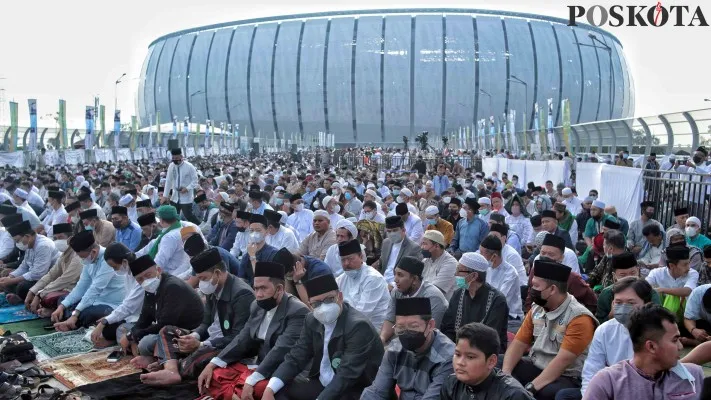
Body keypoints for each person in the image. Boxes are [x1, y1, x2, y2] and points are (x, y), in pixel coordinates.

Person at [139, 248, 256, 385]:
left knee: (199, 360)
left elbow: (238, 338)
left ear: (217, 273)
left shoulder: (241, 294)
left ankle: (171, 367)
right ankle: (170, 369)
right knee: (167, 331)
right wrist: (194, 337)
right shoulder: (213, 287)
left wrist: (201, 345)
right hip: (209, 340)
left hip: (226, 346)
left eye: (203, 278)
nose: (201, 283)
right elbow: (206, 323)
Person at [197, 260, 309, 400]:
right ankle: (234, 395)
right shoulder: (257, 306)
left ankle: (229, 394)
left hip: (279, 370)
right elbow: (242, 338)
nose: (259, 294)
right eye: (256, 289)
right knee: (214, 373)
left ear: (279, 289)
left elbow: (280, 350)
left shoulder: (297, 311)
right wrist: (214, 363)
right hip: (257, 365)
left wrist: (252, 380)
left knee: (258, 388)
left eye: (263, 288)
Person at [261, 273, 384, 400]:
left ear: (340, 297)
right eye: (316, 304)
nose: (324, 307)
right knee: (278, 391)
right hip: (324, 381)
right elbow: (297, 356)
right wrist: (270, 388)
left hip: (354, 388)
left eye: (329, 299)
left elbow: (346, 375)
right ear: (310, 305)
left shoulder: (358, 326)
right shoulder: (312, 319)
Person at [502, 259, 597, 400]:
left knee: (545, 392)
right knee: (495, 364)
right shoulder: (537, 308)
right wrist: (506, 376)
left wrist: (531, 387)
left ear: (552, 289)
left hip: (566, 375)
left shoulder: (579, 317)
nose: (531, 290)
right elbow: (519, 343)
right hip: (537, 364)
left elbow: (562, 362)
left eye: (535, 286)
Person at [556, 277, 655, 400]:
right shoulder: (605, 330)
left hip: (643, 392)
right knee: (564, 396)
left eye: (631, 303)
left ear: (647, 304)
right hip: (611, 389)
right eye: (618, 303)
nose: (624, 308)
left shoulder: (657, 332)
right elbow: (592, 370)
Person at [584, 304, 704, 399]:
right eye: (675, 340)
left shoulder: (693, 376)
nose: (680, 346)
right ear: (651, 346)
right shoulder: (608, 382)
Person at [124, 254, 205, 374]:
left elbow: (165, 324)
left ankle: (158, 360)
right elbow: (144, 318)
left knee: (145, 343)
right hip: (167, 330)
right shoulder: (151, 288)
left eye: (148, 275)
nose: (145, 281)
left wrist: (134, 337)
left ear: (158, 270)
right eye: (140, 279)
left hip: (189, 333)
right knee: (125, 329)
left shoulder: (172, 286)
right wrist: (131, 335)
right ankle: (154, 357)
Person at [362, 297, 455, 399]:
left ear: (430, 325)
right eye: (400, 328)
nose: (406, 333)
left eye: (413, 327)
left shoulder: (446, 357)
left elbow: (433, 397)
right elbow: (377, 391)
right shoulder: (394, 350)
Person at [51, 230, 125, 331]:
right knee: (62, 300)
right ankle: (71, 321)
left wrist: (75, 314)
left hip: (111, 304)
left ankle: (71, 321)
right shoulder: (89, 260)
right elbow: (81, 286)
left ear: (93, 252)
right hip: (93, 301)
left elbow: (95, 289)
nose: (82, 260)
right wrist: (62, 306)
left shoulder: (108, 259)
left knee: (87, 314)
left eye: (82, 257)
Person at [440, 323, 533, 400]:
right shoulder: (451, 385)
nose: (460, 362)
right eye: (458, 354)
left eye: (470, 357)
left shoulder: (512, 395)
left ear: (491, 361)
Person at [441, 252, 509, 353]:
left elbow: (489, 338)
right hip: (456, 350)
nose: (455, 274)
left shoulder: (497, 300)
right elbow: (447, 327)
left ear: (473, 276)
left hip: (485, 353)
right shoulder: (458, 293)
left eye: (459, 270)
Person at [379, 256, 449, 344]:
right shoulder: (397, 292)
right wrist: (382, 339)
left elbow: (429, 332)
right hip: (402, 337)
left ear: (415, 279)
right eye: (395, 274)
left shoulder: (432, 297)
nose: (395, 279)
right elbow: (390, 319)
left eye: (400, 275)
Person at [90, 242, 142, 349]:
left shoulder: (140, 276)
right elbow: (126, 302)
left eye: (114, 267)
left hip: (141, 318)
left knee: (115, 328)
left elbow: (128, 307)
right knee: (105, 323)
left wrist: (105, 321)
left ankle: (120, 342)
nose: (115, 270)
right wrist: (107, 319)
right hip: (130, 315)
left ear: (124, 261)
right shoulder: (129, 273)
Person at [25, 223, 81, 317]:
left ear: (70, 238)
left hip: (77, 291)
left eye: (60, 237)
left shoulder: (78, 254)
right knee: (39, 294)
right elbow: (51, 275)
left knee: (57, 299)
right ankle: (52, 311)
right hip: (65, 289)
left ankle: (57, 313)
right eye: (55, 238)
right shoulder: (64, 255)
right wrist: (33, 291)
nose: (57, 241)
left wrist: (40, 294)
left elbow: (65, 279)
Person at [336, 239, 390, 331]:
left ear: (361, 257)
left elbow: (361, 314)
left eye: (350, 258)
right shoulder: (341, 279)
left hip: (373, 328)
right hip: (349, 325)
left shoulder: (373, 278)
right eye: (343, 260)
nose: (346, 263)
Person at [0, 220, 59, 303]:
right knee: (8, 278)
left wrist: (12, 280)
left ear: (27, 236)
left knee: (22, 286)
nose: (17, 244)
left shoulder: (43, 246)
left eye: (17, 241)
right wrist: (10, 277)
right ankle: (17, 295)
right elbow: (24, 266)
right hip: (35, 276)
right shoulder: (30, 244)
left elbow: (38, 274)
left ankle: (21, 298)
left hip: (48, 278)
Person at [595, 252, 662, 323]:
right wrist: (611, 315)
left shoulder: (649, 292)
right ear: (614, 276)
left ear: (638, 271)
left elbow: (657, 319)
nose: (629, 278)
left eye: (633, 273)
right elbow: (599, 321)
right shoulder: (606, 294)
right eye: (623, 275)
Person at [479, 234, 524, 332]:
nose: (480, 256)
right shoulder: (485, 268)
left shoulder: (510, 273)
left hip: (510, 317)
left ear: (494, 256)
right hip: (487, 311)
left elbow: (499, 301)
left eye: (482, 253)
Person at [646, 245, 698, 317]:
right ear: (672, 266)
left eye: (689, 263)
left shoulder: (692, 273)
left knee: (674, 296)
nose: (688, 267)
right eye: (685, 264)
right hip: (659, 312)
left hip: (685, 314)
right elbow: (644, 286)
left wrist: (661, 290)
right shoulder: (656, 273)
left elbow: (687, 291)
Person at [376, 215, 422, 289]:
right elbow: (381, 264)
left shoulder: (413, 248)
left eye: (395, 230)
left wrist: (394, 285)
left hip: (398, 285)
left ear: (403, 230)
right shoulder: (386, 243)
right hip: (382, 280)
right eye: (389, 231)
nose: (392, 233)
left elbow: (412, 275)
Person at [238, 213, 279, 286]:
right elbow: (241, 280)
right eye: (251, 230)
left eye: (258, 230)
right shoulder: (247, 255)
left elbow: (262, 280)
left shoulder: (273, 253)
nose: (254, 234)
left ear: (266, 232)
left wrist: (253, 257)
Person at [163, 148, 200, 224]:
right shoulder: (171, 166)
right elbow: (168, 181)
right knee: (173, 216)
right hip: (175, 196)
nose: (174, 160)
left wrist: (187, 188)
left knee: (188, 215)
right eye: (173, 158)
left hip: (186, 197)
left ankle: (199, 227)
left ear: (181, 157)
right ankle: (177, 230)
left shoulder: (189, 166)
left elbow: (195, 181)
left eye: (176, 158)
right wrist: (165, 196)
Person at [421, 230, 458, 299]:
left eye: (425, 244)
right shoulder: (425, 260)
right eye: (422, 244)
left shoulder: (450, 263)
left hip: (441, 305)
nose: (422, 247)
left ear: (436, 246)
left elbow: (435, 291)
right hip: (424, 300)